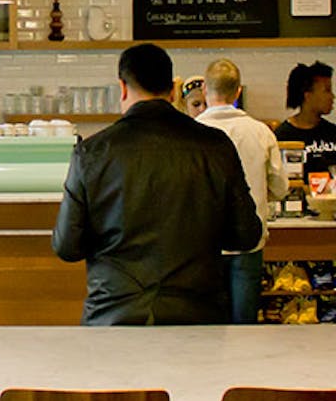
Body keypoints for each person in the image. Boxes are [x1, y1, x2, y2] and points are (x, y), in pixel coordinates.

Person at [52, 43, 261, 325]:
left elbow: (67, 246)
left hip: (112, 317)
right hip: (198, 317)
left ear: (122, 89)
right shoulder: (215, 146)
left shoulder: (91, 152)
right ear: (173, 91)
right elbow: (246, 235)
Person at [196, 58, 288, 323]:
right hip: (249, 243)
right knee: (244, 327)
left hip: (204, 246)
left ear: (205, 90)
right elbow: (280, 188)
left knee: (208, 327)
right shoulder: (261, 132)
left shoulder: (192, 132)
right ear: (238, 92)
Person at [275, 61, 336, 182]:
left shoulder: (333, 132)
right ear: (308, 95)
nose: (332, 96)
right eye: (327, 90)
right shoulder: (283, 137)